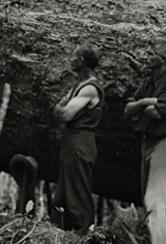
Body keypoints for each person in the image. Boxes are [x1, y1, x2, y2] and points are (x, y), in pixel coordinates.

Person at [124, 39, 166, 244]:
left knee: (154, 201)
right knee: (152, 204)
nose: (146, 57)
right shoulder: (148, 82)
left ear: (163, 58)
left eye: (151, 54)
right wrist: (144, 102)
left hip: (164, 144)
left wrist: (142, 106)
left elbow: (156, 113)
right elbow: (128, 110)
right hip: (147, 143)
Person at [51, 43, 104, 235]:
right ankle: (58, 234)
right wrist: (60, 109)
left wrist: (60, 110)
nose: (70, 60)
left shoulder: (90, 88)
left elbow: (64, 114)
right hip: (71, 143)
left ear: (81, 61)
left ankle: (84, 236)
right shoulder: (78, 87)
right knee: (63, 195)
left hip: (80, 144)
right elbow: (59, 108)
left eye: (74, 57)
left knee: (78, 196)